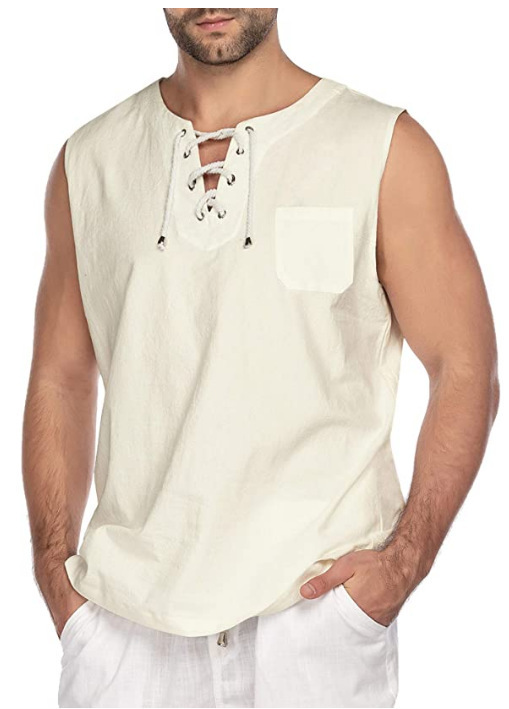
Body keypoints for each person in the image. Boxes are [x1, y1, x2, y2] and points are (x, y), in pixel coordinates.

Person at [22, 8, 499, 708]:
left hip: (313, 618)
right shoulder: (89, 161)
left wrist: (403, 563)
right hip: (126, 627)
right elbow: (60, 377)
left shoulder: (380, 146)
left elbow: (464, 364)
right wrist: (54, 574)